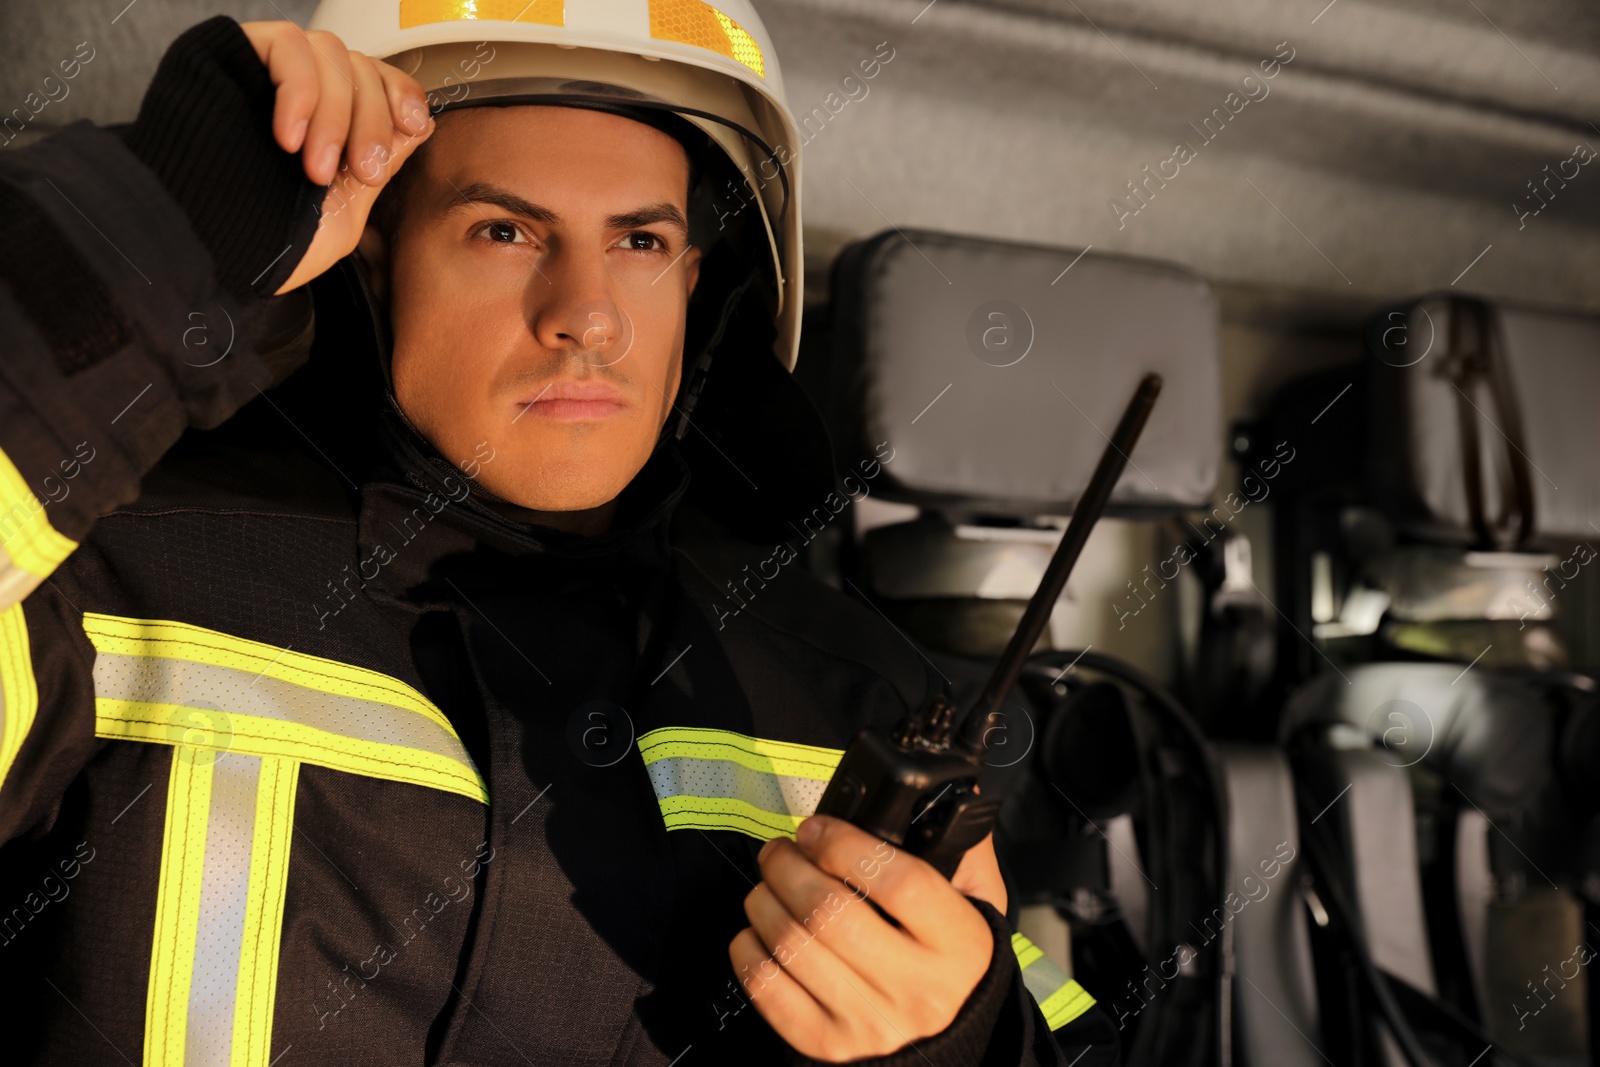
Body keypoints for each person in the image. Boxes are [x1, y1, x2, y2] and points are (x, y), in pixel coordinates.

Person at [0, 2, 1117, 1063]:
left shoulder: (858, 699)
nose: (586, 312)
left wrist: (967, 1041)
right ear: (368, 269)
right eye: (502, 228)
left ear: (701, 285)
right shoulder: (97, 585)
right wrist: (139, 250)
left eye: (639, 240)